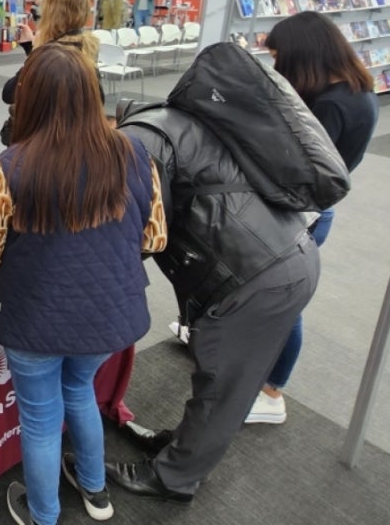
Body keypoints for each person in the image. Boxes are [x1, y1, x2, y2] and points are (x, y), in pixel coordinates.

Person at [110, 48, 325, 505]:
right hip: (284, 252)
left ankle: (173, 477)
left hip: (258, 274)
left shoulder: (136, 143)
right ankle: (183, 449)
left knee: (221, 386)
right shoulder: (174, 123)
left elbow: (145, 232)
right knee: (222, 376)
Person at [0, 42, 167, 525]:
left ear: (30, 98)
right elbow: (155, 238)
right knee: (80, 393)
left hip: (32, 318)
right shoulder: (135, 152)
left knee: (39, 418)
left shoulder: (13, 164)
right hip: (107, 316)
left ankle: (44, 515)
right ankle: (97, 493)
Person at [244, 11, 378, 425]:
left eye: (280, 57)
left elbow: (298, 164)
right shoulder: (354, 91)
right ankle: (260, 377)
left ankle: (272, 391)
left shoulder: (333, 105)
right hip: (311, 209)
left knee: (285, 302)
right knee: (275, 296)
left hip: (304, 213)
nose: (278, 66)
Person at [2, 0, 100, 108]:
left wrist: (36, 52)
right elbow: (98, 96)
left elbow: (9, 93)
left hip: (46, 125)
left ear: (52, 12)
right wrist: (30, 47)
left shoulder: (52, 52)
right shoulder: (88, 44)